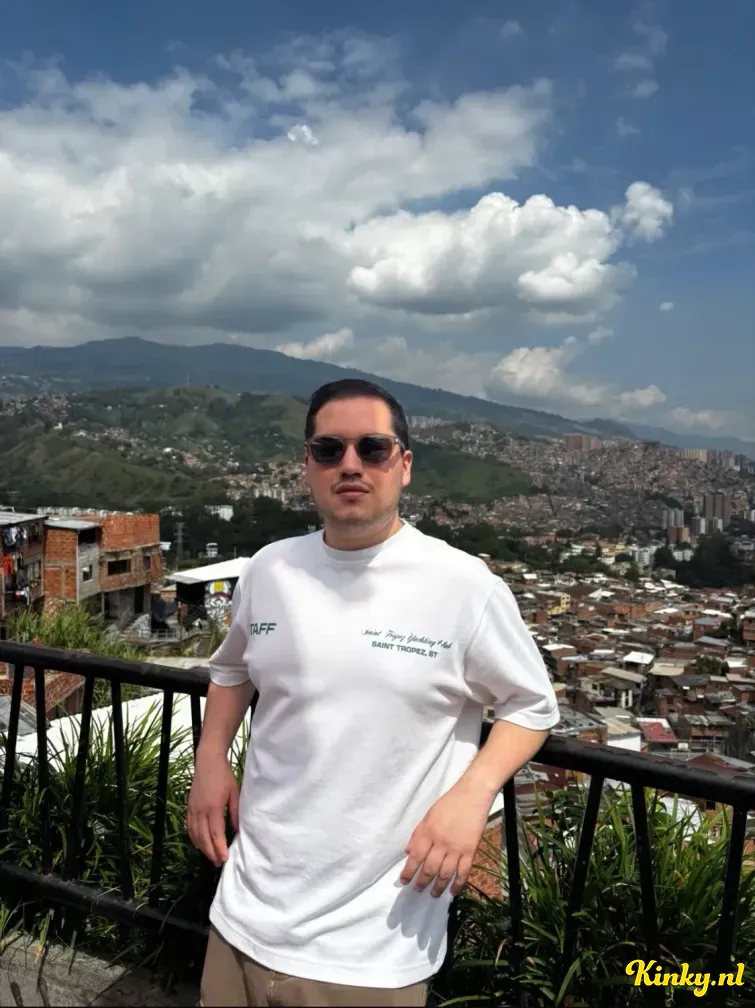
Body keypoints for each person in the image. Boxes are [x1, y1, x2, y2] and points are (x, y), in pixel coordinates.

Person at [189, 378, 560, 1007]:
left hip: (373, 948)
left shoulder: (463, 586)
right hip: (241, 914)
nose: (351, 464)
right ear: (307, 465)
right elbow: (232, 670)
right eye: (329, 449)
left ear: (403, 465)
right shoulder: (270, 568)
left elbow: (532, 705)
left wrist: (472, 795)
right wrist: (210, 759)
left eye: (373, 448)